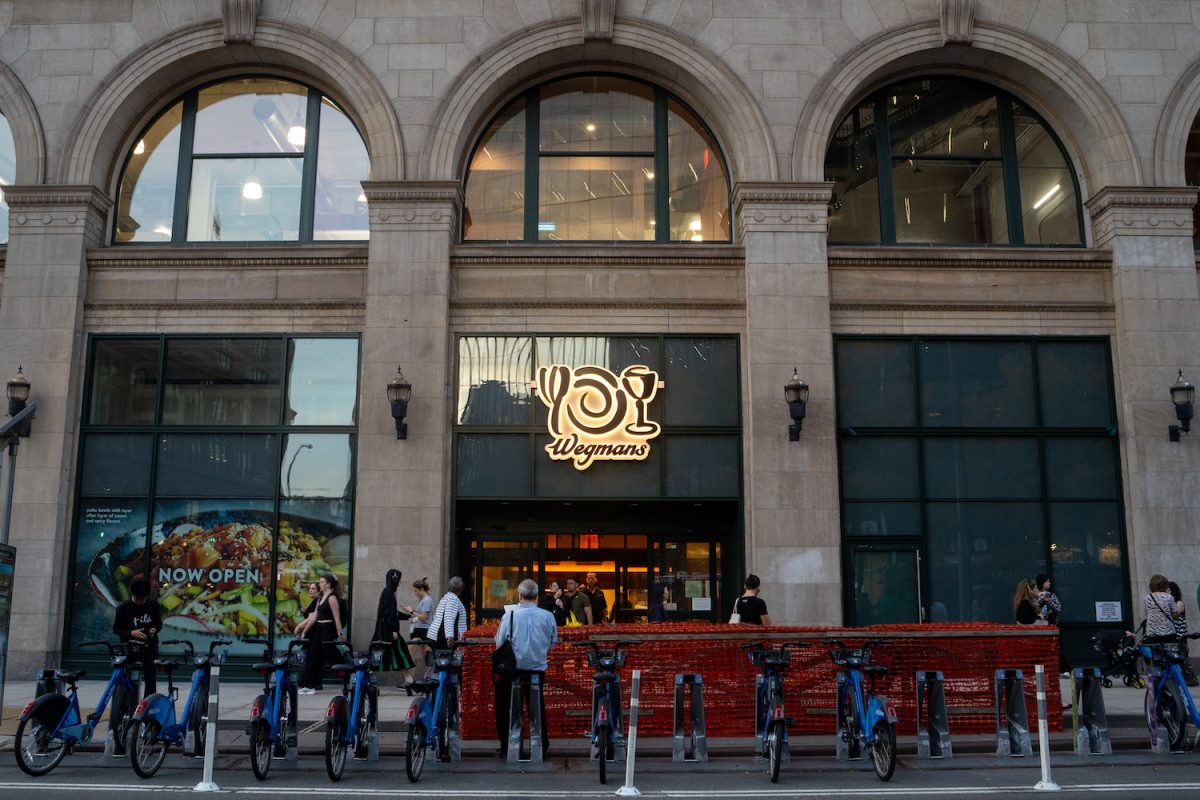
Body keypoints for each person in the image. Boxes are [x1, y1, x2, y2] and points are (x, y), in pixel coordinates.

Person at [493, 579, 558, 758]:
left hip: (513, 669)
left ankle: (507, 745)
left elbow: (499, 643)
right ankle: (542, 743)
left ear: (519, 596)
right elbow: (553, 641)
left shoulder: (510, 616)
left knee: (503, 705)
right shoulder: (547, 616)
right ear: (536, 596)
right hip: (537, 668)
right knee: (537, 706)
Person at [113, 578, 162, 696]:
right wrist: (131, 633)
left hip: (149, 647)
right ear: (133, 594)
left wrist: (155, 629)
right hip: (130, 647)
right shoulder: (123, 607)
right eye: (138, 599)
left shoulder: (154, 605)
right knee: (128, 678)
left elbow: (159, 623)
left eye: (143, 599)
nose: (140, 601)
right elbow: (116, 629)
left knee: (150, 678)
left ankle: (148, 706)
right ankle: (126, 705)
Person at [298, 572, 345, 694]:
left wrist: (340, 634)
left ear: (328, 584)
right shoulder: (320, 598)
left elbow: (337, 618)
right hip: (319, 629)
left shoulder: (332, 598)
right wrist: (305, 631)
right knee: (314, 656)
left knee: (332, 655)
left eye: (322, 582)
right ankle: (309, 685)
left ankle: (351, 675)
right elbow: (314, 617)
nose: (320, 584)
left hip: (328, 629)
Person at [374, 568, 414, 682]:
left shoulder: (389, 592)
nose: (401, 582)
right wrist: (394, 629)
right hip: (388, 631)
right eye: (399, 579)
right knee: (389, 653)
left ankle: (408, 678)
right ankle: (409, 679)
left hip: (386, 629)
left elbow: (393, 613)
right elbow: (389, 613)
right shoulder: (389, 592)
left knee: (392, 653)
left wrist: (408, 616)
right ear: (395, 580)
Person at [1169, 581, 1199, 686]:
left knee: (1182, 658)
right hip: (1173, 635)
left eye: (1168, 590)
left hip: (1180, 636)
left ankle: (1189, 678)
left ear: (1172, 591)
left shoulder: (1179, 603)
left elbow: (1174, 615)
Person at [403, 577, 434, 675]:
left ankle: (410, 680)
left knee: (408, 654)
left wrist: (412, 611)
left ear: (422, 589)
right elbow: (421, 615)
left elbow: (424, 617)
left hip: (423, 631)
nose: (414, 593)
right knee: (426, 658)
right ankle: (429, 678)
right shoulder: (423, 600)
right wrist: (411, 611)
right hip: (421, 630)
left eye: (416, 590)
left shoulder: (427, 600)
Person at [428, 576, 468, 648]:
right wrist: (450, 637)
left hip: (436, 634)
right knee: (445, 658)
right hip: (442, 636)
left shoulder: (447, 597)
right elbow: (449, 617)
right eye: (463, 585)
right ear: (460, 588)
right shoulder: (453, 600)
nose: (464, 587)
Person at [1145, 574, 1182, 641]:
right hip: (1168, 632)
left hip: (1152, 632)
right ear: (1165, 585)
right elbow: (1175, 616)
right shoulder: (1169, 597)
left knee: (1154, 651)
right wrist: (1178, 612)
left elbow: (1148, 613)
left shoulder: (1147, 598)